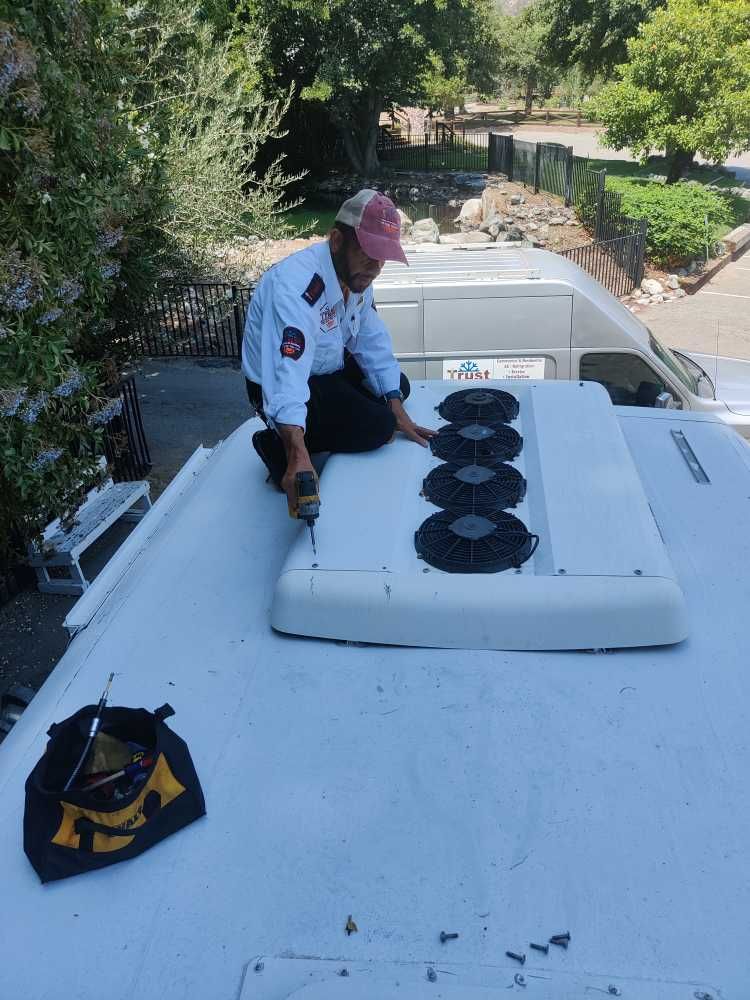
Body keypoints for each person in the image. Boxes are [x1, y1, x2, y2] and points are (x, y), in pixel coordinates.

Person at [242, 189, 435, 510]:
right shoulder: (296, 288)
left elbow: (370, 338)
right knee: (379, 428)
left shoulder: (356, 276)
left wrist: (396, 405)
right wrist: (297, 454)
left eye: (383, 257)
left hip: (325, 365)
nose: (375, 267)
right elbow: (286, 374)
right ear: (336, 241)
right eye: (368, 254)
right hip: (284, 379)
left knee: (397, 387)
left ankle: (336, 418)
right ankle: (278, 443)